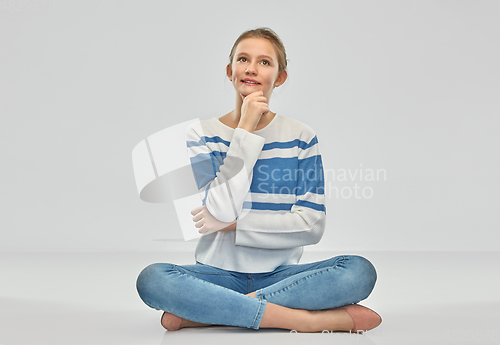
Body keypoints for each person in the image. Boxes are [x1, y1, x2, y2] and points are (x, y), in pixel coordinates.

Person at [136, 27, 382, 333]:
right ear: (230, 71)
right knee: (152, 279)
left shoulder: (301, 137)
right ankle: (301, 320)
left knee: (357, 272)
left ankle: (208, 312)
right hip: (216, 274)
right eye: (243, 59)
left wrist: (237, 225)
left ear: (280, 77)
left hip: (282, 276)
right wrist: (246, 130)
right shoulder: (201, 134)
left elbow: (311, 225)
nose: (252, 68)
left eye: (265, 62)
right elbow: (221, 210)